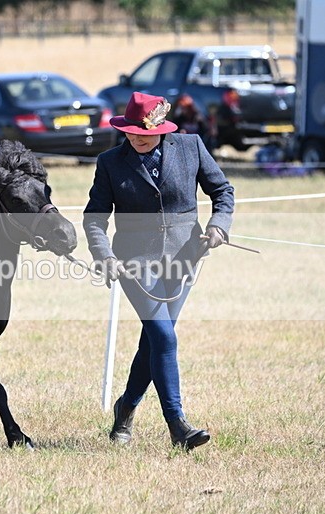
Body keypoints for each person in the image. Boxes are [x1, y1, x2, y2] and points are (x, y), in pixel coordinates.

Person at [83, 92, 234, 450]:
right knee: (164, 338)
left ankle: (125, 409)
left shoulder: (191, 147)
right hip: (133, 262)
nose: (137, 138)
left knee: (154, 340)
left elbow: (222, 191)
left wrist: (218, 226)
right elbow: (95, 218)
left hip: (184, 258)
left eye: (145, 133)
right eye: (132, 131)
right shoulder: (110, 162)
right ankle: (178, 426)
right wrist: (104, 255)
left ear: (163, 130)